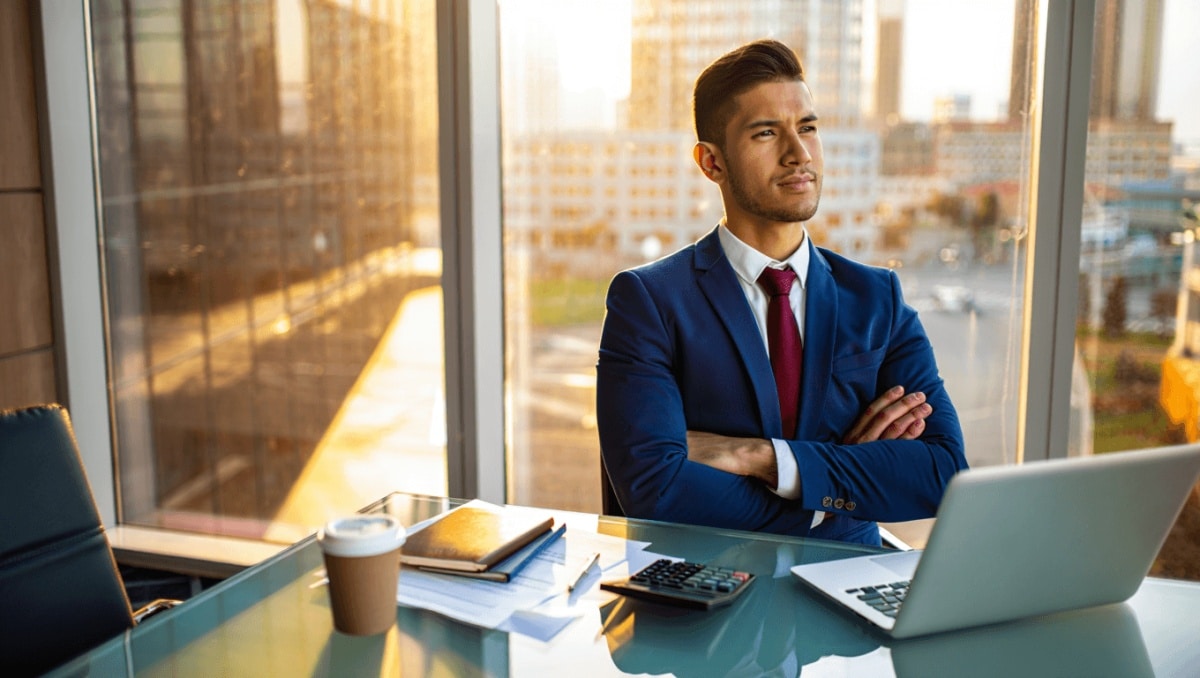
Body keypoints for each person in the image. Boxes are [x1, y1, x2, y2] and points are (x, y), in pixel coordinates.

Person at [595, 39, 967, 546]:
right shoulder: (648, 302)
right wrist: (836, 490)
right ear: (711, 162)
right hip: (708, 595)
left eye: (808, 128)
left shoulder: (878, 297)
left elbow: (942, 474)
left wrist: (760, 458)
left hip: (849, 586)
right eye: (767, 133)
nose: (799, 154)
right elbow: (655, 490)